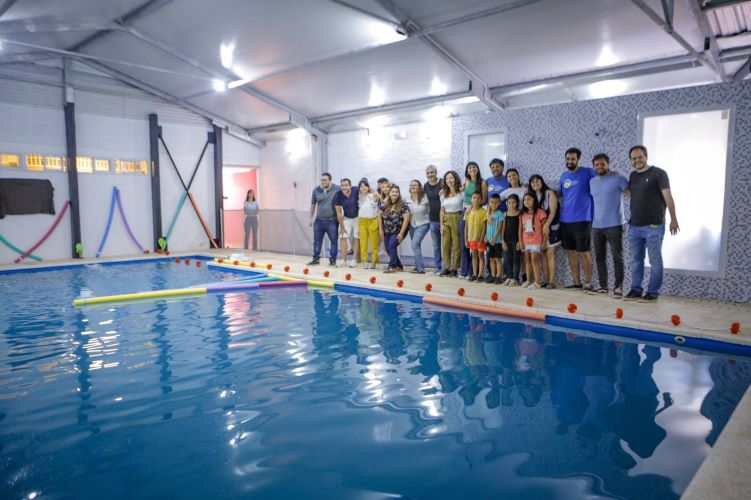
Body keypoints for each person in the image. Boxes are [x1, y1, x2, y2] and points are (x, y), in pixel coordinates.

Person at [624, 145, 679, 302]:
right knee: (636, 260)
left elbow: (668, 197)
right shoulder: (633, 176)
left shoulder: (659, 173)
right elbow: (631, 194)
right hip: (634, 226)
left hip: (654, 226)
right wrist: (616, 179)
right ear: (630, 160)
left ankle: (653, 292)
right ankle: (636, 289)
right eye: (634, 158)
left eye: (640, 157)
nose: (637, 160)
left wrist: (674, 219)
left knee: (655, 260)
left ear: (646, 156)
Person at [588, 154, 629, 298]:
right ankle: (603, 286)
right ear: (594, 166)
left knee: (617, 257)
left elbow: (630, 193)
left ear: (608, 165)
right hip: (596, 226)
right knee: (599, 257)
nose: (599, 167)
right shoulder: (592, 182)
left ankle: (618, 287)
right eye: (597, 164)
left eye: (602, 164)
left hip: (615, 224)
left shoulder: (618, 178)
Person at [558, 147, 596, 290]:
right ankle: (576, 282)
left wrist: (613, 174)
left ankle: (589, 282)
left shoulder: (588, 172)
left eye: (573, 159)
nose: (570, 161)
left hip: (583, 219)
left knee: (583, 251)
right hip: (565, 220)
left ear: (578, 159)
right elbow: (561, 194)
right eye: (568, 159)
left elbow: (601, 179)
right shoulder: (563, 176)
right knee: (571, 251)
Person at [528, 174, 560, 289]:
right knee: (543, 254)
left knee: (550, 254)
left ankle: (551, 281)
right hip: (539, 229)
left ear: (542, 182)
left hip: (552, 227)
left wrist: (546, 225)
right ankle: (546, 281)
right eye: (533, 182)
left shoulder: (549, 193)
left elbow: (553, 212)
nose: (535, 184)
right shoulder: (532, 196)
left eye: (537, 181)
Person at [460, 162, 488, 279]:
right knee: (465, 243)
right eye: (470, 167)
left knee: (478, 250)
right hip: (466, 212)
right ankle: (466, 271)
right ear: (467, 170)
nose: (472, 169)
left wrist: (472, 206)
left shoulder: (482, 182)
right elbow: (463, 194)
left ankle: (476, 273)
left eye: (474, 167)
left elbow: (485, 200)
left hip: (476, 212)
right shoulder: (466, 181)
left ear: (477, 168)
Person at [308, 172, 340, 266]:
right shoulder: (316, 190)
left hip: (332, 220)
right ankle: (316, 259)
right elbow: (313, 205)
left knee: (333, 241)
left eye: (325, 180)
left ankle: (333, 260)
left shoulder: (337, 188)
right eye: (322, 180)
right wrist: (310, 218)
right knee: (317, 242)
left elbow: (348, 190)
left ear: (330, 180)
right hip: (319, 221)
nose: (323, 182)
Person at [379, 185, 410, 273]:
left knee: (391, 246)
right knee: (388, 248)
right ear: (389, 193)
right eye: (393, 192)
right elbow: (379, 215)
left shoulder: (403, 205)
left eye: (396, 192)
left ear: (399, 193)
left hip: (397, 231)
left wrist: (401, 233)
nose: (394, 193)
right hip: (387, 231)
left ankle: (392, 266)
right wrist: (381, 229)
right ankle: (399, 266)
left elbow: (406, 219)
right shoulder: (385, 204)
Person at [520, 193, 547, 290]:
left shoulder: (540, 213)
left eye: (529, 199)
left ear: (534, 200)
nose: (526, 201)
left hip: (536, 241)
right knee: (527, 260)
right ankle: (528, 280)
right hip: (526, 241)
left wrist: (544, 241)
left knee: (534, 260)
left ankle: (538, 282)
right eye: (525, 200)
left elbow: (545, 229)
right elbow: (520, 229)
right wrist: (520, 241)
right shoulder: (523, 214)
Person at [439, 170, 463, 277]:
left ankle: (455, 268)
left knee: (457, 245)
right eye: (447, 178)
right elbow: (442, 210)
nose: (449, 180)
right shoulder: (443, 194)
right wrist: (441, 224)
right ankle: (447, 267)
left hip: (457, 217)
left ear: (455, 179)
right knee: (445, 245)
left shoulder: (461, 193)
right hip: (446, 218)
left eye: (451, 178)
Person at [333, 178, 359, 267]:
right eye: (342, 185)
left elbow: (367, 189)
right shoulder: (338, 194)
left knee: (356, 238)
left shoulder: (356, 190)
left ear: (350, 186)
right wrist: (342, 227)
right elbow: (339, 212)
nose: (344, 187)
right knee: (343, 236)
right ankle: (343, 260)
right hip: (346, 218)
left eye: (346, 185)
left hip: (358, 218)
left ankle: (354, 260)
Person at [406, 179, 430, 274]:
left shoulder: (425, 197)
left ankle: (421, 268)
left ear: (420, 187)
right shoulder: (407, 199)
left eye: (415, 185)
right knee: (416, 245)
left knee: (415, 244)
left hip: (423, 223)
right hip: (412, 225)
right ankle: (417, 266)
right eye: (411, 185)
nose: (413, 186)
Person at [423, 165, 444, 274]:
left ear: (436, 172)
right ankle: (437, 267)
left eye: (432, 172)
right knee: (436, 245)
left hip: (445, 218)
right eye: (428, 173)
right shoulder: (425, 186)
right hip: (433, 219)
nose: (430, 175)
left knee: (446, 245)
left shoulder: (443, 183)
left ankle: (448, 267)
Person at [464, 191, 487, 281]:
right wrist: (466, 239)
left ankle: (480, 275)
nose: (476, 199)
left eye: (478, 198)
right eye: (474, 197)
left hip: (480, 239)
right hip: (471, 238)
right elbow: (466, 226)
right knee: (474, 256)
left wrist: (481, 239)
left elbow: (484, 226)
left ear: (481, 200)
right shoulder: (468, 212)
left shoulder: (483, 212)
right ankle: (474, 274)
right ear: (471, 199)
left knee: (481, 255)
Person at [358, 179, 380, 269]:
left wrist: (371, 189)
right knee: (363, 243)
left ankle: (374, 261)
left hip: (372, 221)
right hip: (362, 221)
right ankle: (365, 261)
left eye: (365, 186)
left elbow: (379, 197)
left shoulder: (372, 195)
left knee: (374, 243)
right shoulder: (358, 196)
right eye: (361, 186)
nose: (363, 188)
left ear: (368, 187)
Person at [501, 194, 522, 286]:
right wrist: (502, 240)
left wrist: (520, 241)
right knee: (508, 259)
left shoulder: (519, 214)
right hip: (507, 240)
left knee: (516, 259)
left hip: (516, 240)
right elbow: (502, 228)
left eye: (513, 202)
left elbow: (520, 228)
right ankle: (509, 276)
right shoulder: (505, 214)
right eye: (509, 202)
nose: (511, 204)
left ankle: (515, 278)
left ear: (517, 203)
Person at [485, 193, 505, 284]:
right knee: (491, 259)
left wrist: (495, 238)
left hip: (496, 241)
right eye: (492, 202)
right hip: (489, 241)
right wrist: (486, 236)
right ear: (489, 203)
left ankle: (498, 276)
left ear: (499, 203)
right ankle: (493, 275)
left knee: (498, 259)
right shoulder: (488, 214)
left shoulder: (500, 214)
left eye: (496, 202)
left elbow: (500, 228)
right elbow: (487, 226)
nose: (493, 204)